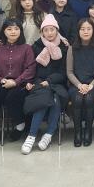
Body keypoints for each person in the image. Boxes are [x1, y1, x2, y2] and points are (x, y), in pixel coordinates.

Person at [21, 15, 70, 154]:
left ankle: (48, 134)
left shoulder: (64, 46)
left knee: (55, 99)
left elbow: (64, 71)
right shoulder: (35, 46)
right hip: (38, 81)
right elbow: (31, 68)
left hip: (58, 82)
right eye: (46, 30)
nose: (49, 33)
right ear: (42, 32)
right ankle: (31, 136)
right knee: (44, 100)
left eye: (52, 29)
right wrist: (29, 81)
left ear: (57, 30)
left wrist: (49, 80)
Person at [0, 19, 36, 142]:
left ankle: (20, 125)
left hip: (20, 83)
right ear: (4, 31)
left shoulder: (27, 48)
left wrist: (15, 82)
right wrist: (1, 80)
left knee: (13, 97)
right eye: (9, 29)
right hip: (0, 82)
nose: (13, 31)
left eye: (16, 29)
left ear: (21, 31)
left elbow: (30, 69)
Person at [66, 18, 94, 147]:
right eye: (82, 29)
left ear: (93, 30)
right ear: (78, 31)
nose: (85, 31)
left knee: (89, 98)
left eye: (88, 29)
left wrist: (90, 86)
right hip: (76, 85)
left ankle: (88, 131)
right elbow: (69, 72)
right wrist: (79, 85)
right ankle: (77, 132)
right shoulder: (72, 48)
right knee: (78, 99)